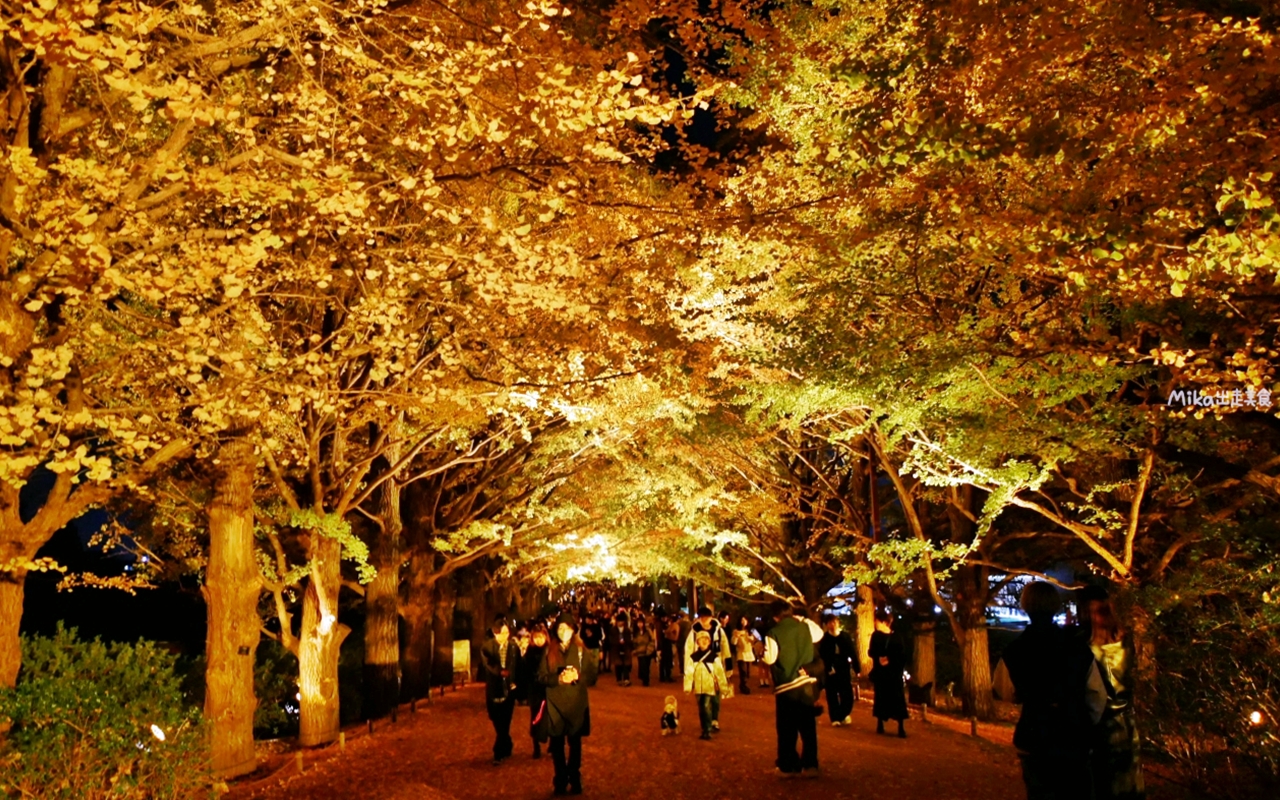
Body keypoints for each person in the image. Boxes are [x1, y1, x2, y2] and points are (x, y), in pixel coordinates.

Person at [997, 582, 1106, 800]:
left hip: (1034, 734)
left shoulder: (1015, 650)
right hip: (1073, 736)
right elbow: (1097, 695)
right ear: (1056, 605)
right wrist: (1085, 723)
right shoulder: (1077, 649)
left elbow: (1003, 690)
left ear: (1025, 606)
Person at [1079, 586, 1145, 800]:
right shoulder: (1125, 641)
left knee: (1105, 780)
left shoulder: (1088, 647)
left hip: (1102, 721)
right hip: (1126, 719)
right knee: (1128, 776)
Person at [537, 612, 599, 796]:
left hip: (576, 704)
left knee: (575, 744)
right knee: (557, 746)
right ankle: (560, 779)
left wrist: (578, 676)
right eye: (561, 628)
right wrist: (558, 679)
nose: (564, 632)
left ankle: (574, 776)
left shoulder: (581, 651)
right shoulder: (549, 652)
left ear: (573, 631)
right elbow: (541, 677)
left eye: (568, 629)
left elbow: (593, 674)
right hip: (555, 703)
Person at [764, 600, 820, 777]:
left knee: (787, 728)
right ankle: (810, 764)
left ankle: (788, 765)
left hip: (786, 685)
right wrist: (802, 619)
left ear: (775, 616)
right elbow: (819, 634)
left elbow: (770, 658)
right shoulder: (804, 627)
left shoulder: (773, 632)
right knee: (807, 727)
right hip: (805, 683)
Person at [480, 614, 520, 764]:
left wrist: (516, 681)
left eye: (507, 632)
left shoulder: (513, 647)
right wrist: (500, 671)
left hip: (509, 687)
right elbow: (488, 663)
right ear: (495, 632)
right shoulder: (487, 646)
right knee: (496, 718)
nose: (505, 636)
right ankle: (507, 743)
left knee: (506, 719)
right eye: (502, 632)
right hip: (494, 688)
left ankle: (498, 752)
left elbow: (518, 665)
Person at [685, 607, 732, 732]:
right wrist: (688, 669)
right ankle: (706, 721)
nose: (704, 620)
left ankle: (714, 720)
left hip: (716, 665)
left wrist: (728, 666)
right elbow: (688, 649)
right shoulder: (694, 632)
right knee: (702, 698)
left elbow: (725, 646)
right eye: (702, 617)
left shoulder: (718, 630)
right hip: (700, 667)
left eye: (706, 617)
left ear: (711, 617)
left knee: (716, 696)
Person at [868, 610, 907, 737]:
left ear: (885, 622)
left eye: (877, 621)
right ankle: (880, 723)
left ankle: (900, 726)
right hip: (881, 673)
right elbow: (871, 651)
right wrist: (878, 657)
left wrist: (890, 659)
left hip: (893, 673)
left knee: (897, 698)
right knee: (881, 698)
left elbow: (901, 655)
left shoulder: (896, 637)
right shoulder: (876, 636)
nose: (876, 624)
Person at [819, 614, 856, 726]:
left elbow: (852, 652)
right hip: (830, 669)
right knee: (832, 694)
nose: (833, 625)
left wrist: (856, 667)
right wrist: (828, 667)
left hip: (843, 667)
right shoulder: (825, 639)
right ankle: (835, 717)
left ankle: (844, 713)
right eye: (830, 622)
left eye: (834, 622)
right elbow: (823, 655)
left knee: (847, 694)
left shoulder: (845, 636)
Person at [522, 625, 551, 759]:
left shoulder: (550, 651)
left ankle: (552, 743)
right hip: (534, 689)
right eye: (536, 637)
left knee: (550, 717)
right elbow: (526, 671)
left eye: (541, 637)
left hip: (548, 688)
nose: (539, 640)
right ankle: (536, 746)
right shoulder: (530, 651)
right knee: (535, 717)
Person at [731, 616, 758, 695]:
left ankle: (743, 685)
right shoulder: (736, 631)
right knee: (743, 671)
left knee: (747, 672)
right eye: (741, 620)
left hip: (749, 653)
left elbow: (759, 638)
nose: (743, 622)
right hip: (741, 653)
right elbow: (733, 642)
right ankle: (744, 686)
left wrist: (752, 638)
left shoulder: (751, 630)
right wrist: (736, 636)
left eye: (745, 620)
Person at [633, 617, 656, 687]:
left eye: (641, 623)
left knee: (646, 666)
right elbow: (634, 641)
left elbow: (652, 640)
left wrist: (649, 649)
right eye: (638, 623)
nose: (640, 625)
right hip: (639, 651)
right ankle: (644, 678)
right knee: (641, 666)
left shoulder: (647, 631)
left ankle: (646, 680)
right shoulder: (635, 632)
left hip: (647, 651)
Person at [611, 614, 634, 686]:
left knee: (626, 665)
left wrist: (626, 643)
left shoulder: (627, 630)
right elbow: (611, 639)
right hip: (616, 648)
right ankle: (619, 679)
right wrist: (617, 642)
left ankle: (626, 679)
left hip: (625, 648)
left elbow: (630, 639)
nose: (620, 623)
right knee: (618, 665)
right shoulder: (613, 630)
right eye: (619, 621)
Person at [660, 613, 680, 682]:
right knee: (667, 660)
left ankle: (663, 676)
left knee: (665, 661)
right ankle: (667, 676)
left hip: (667, 643)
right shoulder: (674, 625)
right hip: (668, 643)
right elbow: (670, 632)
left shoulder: (671, 625)